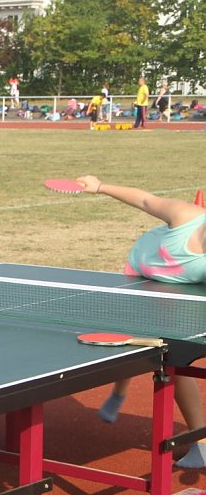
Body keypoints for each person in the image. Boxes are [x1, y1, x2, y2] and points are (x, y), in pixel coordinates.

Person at [74, 175, 206, 469]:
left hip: (177, 289)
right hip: (138, 274)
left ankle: (202, 443)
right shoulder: (186, 216)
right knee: (124, 339)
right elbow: (145, 199)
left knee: (178, 360)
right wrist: (100, 187)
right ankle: (120, 391)